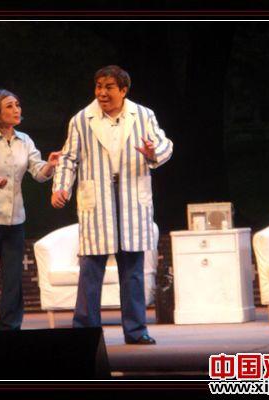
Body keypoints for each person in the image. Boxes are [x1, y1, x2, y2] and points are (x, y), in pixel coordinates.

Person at [51, 65, 173, 344]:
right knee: (90, 270)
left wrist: (153, 152)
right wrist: (61, 187)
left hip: (132, 196)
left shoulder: (143, 115)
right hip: (98, 199)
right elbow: (69, 158)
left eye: (108, 87)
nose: (102, 93)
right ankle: (85, 331)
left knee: (133, 272)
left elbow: (165, 145)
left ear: (123, 90)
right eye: (98, 87)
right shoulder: (82, 119)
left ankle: (136, 330)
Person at [0, 89, 61, 331]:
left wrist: (50, 165)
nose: (16, 110)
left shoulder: (24, 140)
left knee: (13, 278)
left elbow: (38, 172)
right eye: (9, 106)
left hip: (14, 219)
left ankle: (9, 327)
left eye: (17, 104)